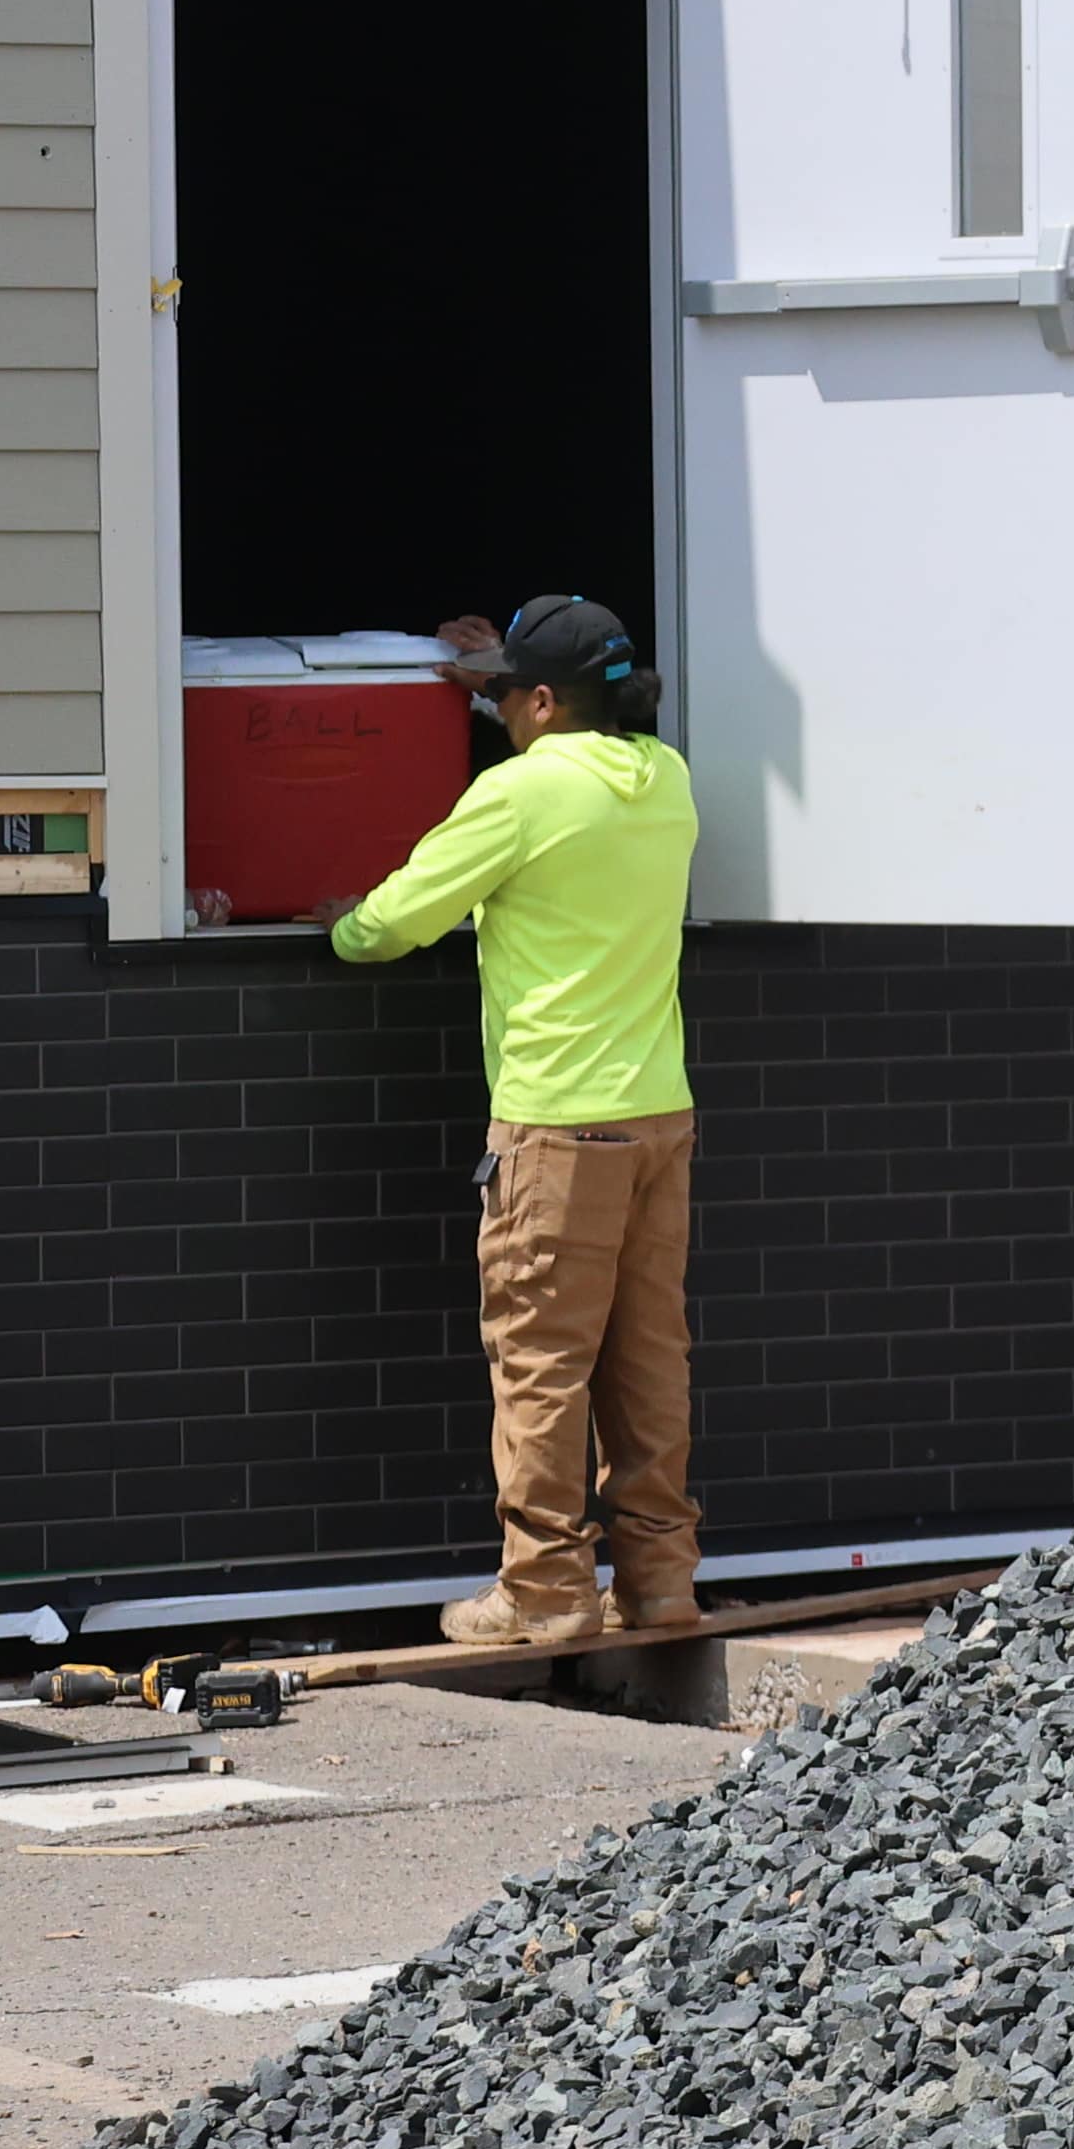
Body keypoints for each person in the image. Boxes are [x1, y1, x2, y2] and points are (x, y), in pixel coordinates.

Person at [329, 593, 704, 1645]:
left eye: (506, 693)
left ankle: (542, 1591)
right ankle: (662, 1582)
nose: (494, 706)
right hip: (658, 1119)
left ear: (542, 700)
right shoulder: (664, 779)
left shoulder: (520, 792)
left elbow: (396, 922)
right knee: (647, 1360)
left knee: (542, 1364)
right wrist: (486, 674)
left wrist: (343, 927)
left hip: (555, 1131)